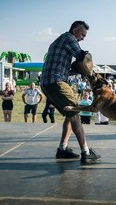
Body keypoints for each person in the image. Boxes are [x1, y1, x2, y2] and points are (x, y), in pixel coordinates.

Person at [40, 20, 101, 164]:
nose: (83, 38)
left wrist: (75, 68)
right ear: (75, 30)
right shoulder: (69, 38)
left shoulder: (60, 41)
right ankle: (86, 152)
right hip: (56, 82)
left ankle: (62, 149)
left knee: (70, 113)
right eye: (83, 34)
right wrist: (93, 74)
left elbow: (67, 68)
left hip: (49, 82)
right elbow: (83, 58)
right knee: (75, 113)